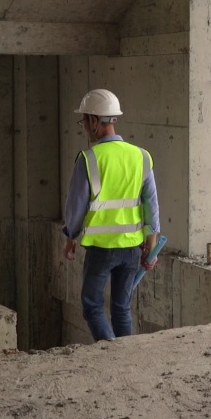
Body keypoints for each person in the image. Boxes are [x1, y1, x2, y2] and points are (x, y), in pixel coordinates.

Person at [62, 88, 159, 342]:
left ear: (95, 121)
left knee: (92, 306)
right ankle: (126, 358)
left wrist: (70, 237)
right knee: (121, 308)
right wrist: (151, 242)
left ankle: (111, 355)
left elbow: (76, 206)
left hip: (101, 249)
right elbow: (151, 204)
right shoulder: (141, 156)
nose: (83, 126)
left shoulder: (88, 159)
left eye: (84, 120)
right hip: (131, 248)